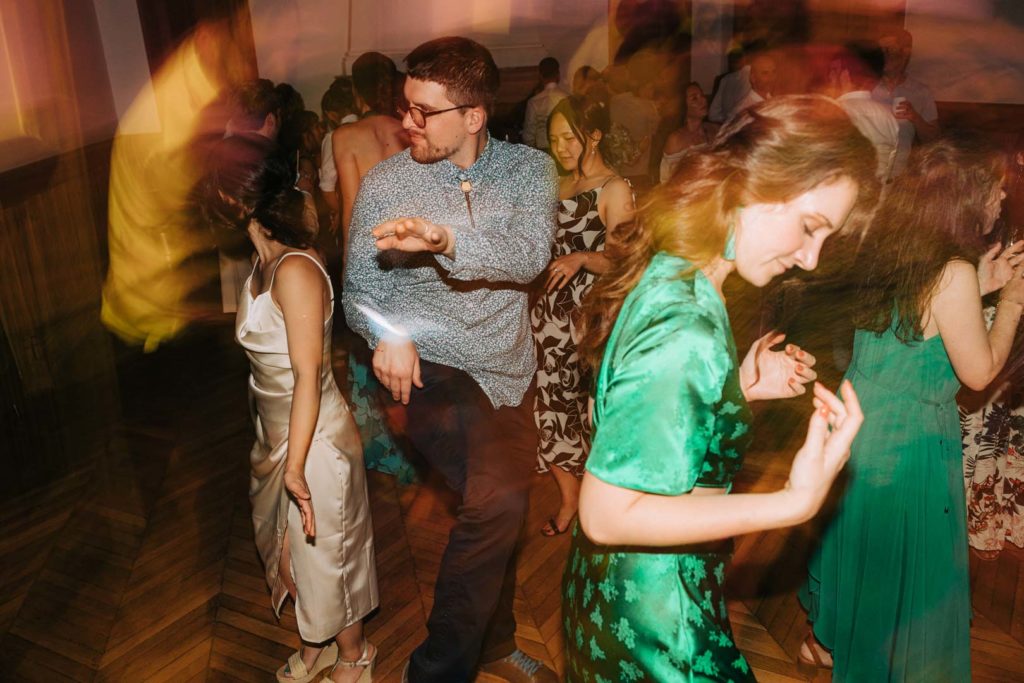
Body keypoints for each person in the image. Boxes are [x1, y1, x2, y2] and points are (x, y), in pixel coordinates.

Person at [562, 95, 880, 681]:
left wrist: (737, 389)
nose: (811, 259)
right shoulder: (689, 324)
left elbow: (639, 427)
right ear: (753, 184)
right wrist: (795, 502)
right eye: (810, 227)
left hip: (618, 593)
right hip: (661, 622)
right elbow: (607, 515)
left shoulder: (677, 265)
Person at [343, 36, 559, 683]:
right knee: (496, 503)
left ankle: (494, 642)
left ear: (473, 115)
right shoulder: (386, 184)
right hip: (426, 369)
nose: (406, 121)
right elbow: (357, 290)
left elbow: (527, 255)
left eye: (423, 111)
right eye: (406, 106)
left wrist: (442, 237)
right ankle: (434, 674)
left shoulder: (530, 172)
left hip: (508, 372)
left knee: (500, 508)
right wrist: (388, 330)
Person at [800, 139, 1024, 681]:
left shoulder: (893, 243)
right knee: (902, 565)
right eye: (995, 191)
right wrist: (1013, 301)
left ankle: (825, 644)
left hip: (858, 418)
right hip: (907, 437)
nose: (1000, 200)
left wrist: (984, 284)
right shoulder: (952, 270)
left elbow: (919, 317)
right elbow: (977, 372)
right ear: (965, 199)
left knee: (863, 549)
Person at [199, 136, 378, 683]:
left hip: (313, 439)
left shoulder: (295, 271)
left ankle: (355, 655)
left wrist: (296, 467)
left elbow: (307, 377)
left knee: (329, 556)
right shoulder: (260, 265)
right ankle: (317, 641)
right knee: (289, 553)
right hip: (273, 433)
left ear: (238, 202)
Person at [533, 96, 634, 537]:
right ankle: (570, 499)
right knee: (548, 409)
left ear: (594, 135)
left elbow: (625, 263)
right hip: (545, 316)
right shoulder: (554, 184)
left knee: (589, 412)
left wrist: (581, 259)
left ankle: (603, 506)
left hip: (588, 319)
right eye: (553, 139)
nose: (560, 148)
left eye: (568, 138)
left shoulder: (614, 188)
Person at [332, 52, 413, 483]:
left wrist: (349, 273)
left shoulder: (346, 136)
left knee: (371, 350)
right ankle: (419, 445)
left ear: (357, 89)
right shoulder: (407, 130)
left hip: (372, 254)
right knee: (413, 346)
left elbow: (351, 210)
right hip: (414, 253)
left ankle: (383, 448)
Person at [872, 28, 939, 177]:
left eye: (890, 50)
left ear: (905, 53)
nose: (885, 55)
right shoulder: (866, 87)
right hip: (867, 173)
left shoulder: (921, 91)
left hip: (901, 176)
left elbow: (933, 138)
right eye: (881, 50)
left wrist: (915, 118)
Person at [828, 41, 899, 182]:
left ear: (845, 75)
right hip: (881, 198)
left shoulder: (834, 113)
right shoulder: (888, 115)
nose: (829, 76)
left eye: (833, 71)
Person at [659, 82, 718, 183]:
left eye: (702, 95)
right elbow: (667, 180)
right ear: (683, 105)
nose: (703, 100)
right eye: (695, 98)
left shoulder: (714, 130)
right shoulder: (676, 140)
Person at [521, 57, 569, 150]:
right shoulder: (567, 98)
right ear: (558, 75)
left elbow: (528, 136)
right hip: (563, 147)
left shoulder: (534, 102)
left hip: (543, 150)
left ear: (540, 76)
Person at [729, 52, 777, 120]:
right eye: (765, 73)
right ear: (753, 78)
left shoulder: (774, 101)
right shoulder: (743, 110)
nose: (772, 77)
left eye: (774, 72)